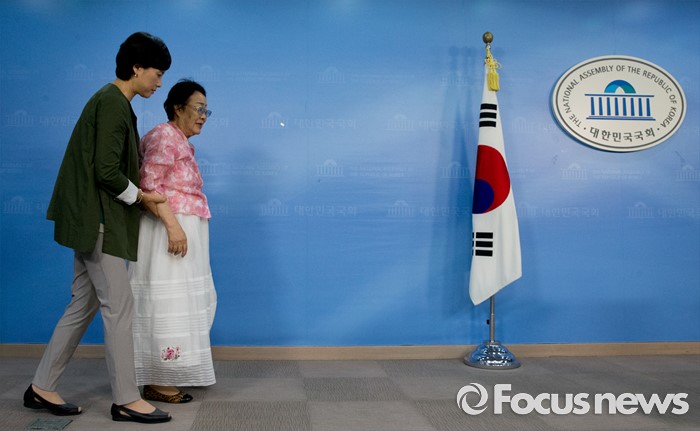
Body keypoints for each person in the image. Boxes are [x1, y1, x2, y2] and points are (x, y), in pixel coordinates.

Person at [24, 32, 173, 424]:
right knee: (119, 307)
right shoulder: (111, 103)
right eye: (157, 73)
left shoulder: (112, 102)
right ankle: (126, 399)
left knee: (83, 303)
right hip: (98, 221)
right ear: (136, 68)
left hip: (93, 218)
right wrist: (142, 197)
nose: (160, 83)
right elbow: (106, 172)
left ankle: (41, 386)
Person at [129, 79, 217, 403]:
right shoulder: (165, 136)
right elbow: (149, 186)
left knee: (182, 301)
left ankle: (168, 372)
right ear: (178, 108)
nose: (203, 116)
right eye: (199, 108)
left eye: (207, 111)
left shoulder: (178, 140)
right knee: (168, 302)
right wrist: (173, 227)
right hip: (167, 236)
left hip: (178, 234)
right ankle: (158, 378)